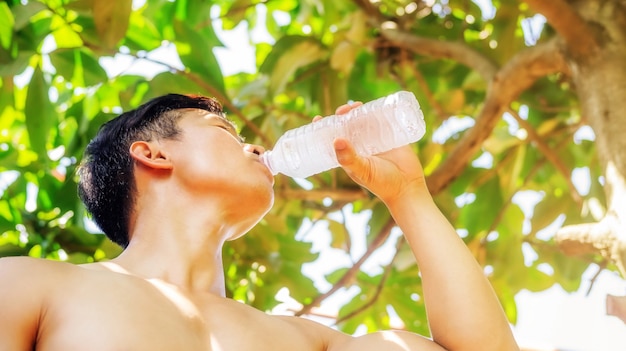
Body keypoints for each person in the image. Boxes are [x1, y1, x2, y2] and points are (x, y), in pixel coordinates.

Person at [0, 93, 519, 351]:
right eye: (221, 128)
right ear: (153, 154)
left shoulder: (306, 340)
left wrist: (410, 197)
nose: (252, 144)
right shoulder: (35, 286)